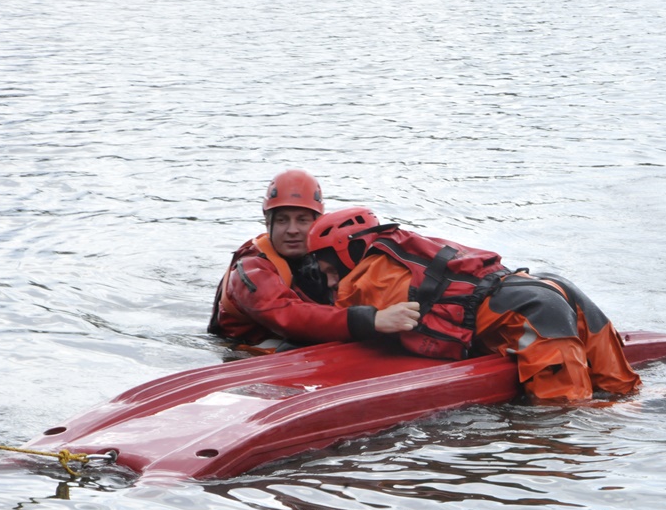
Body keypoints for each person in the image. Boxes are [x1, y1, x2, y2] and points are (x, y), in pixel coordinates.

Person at [306, 207, 642, 401]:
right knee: (625, 393)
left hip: (531, 316)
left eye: (329, 272)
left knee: (566, 418)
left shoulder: (365, 279)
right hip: (550, 289)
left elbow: (342, 328)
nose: (333, 283)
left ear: (344, 250)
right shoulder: (406, 247)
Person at [207, 171, 420, 350]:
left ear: (317, 222)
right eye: (282, 220)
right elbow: (286, 314)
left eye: (302, 220)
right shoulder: (250, 269)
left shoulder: (323, 259)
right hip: (248, 356)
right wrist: (372, 320)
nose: (292, 230)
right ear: (268, 224)